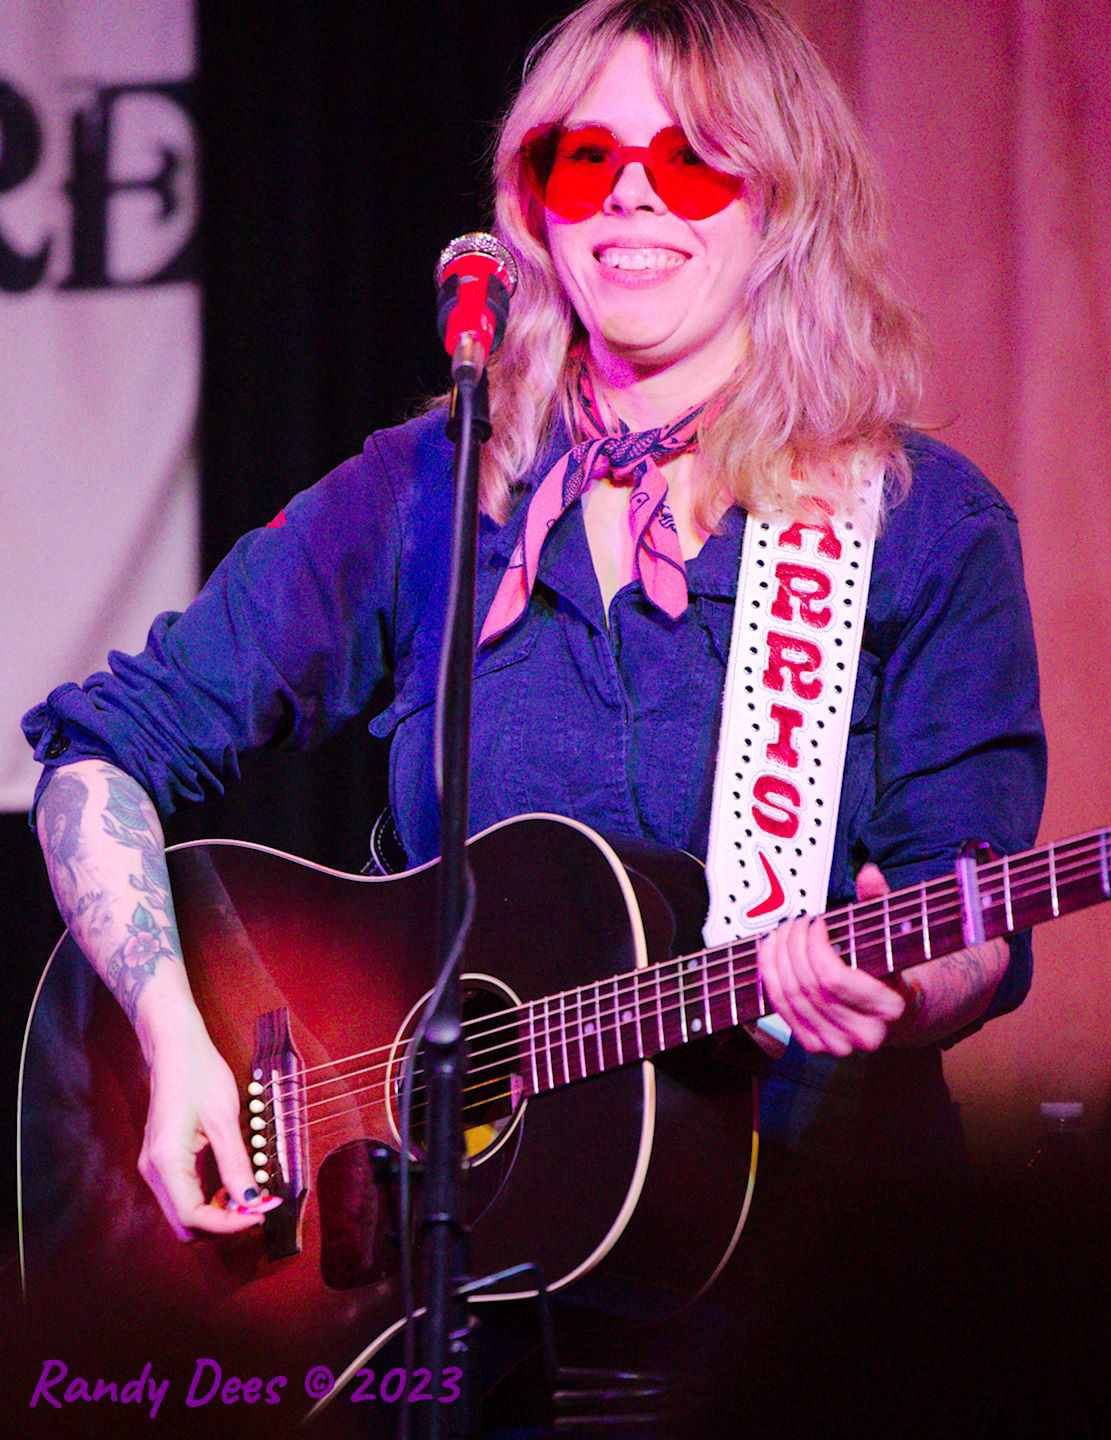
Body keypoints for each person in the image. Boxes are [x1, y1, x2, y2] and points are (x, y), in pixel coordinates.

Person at [25, 0, 1045, 1254]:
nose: (631, 197)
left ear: (785, 204)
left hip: (812, 1269)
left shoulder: (915, 521)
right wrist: (173, 1036)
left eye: (691, 160)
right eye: (586, 159)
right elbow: (101, 755)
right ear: (535, 202)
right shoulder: (430, 494)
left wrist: (900, 980)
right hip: (453, 1292)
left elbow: (976, 915)